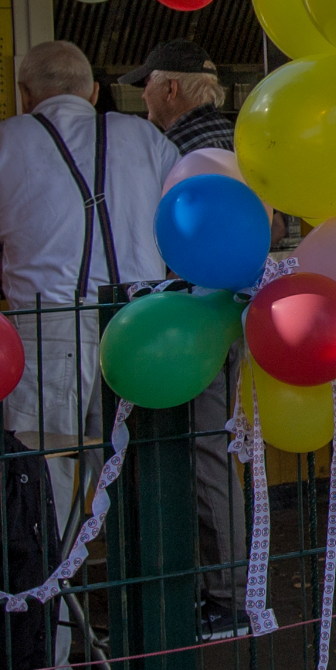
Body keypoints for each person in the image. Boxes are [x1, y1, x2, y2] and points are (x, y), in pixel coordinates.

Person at [0, 43, 196, 630]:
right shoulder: (145, 139)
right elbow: (189, 231)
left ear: (25, 96)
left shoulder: (3, 140)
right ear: (93, 92)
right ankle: (152, 637)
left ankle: (54, 660)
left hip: (49, 336)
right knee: (144, 487)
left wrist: (17, 264)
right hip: (144, 330)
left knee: (50, 504)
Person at [120, 39, 252, 633]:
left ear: (168, 88)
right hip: (227, 309)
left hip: (200, 315)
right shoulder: (236, 137)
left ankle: (227, 596)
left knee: (206, 450)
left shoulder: (179, 147)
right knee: (213, 448)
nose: (140, 95)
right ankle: (223, 587)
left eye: (144, 84)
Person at [122, 38, 234, 159]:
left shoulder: (167, 151)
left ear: (171, 88)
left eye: (146, 84)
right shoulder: (238, 135)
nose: (143, 96)